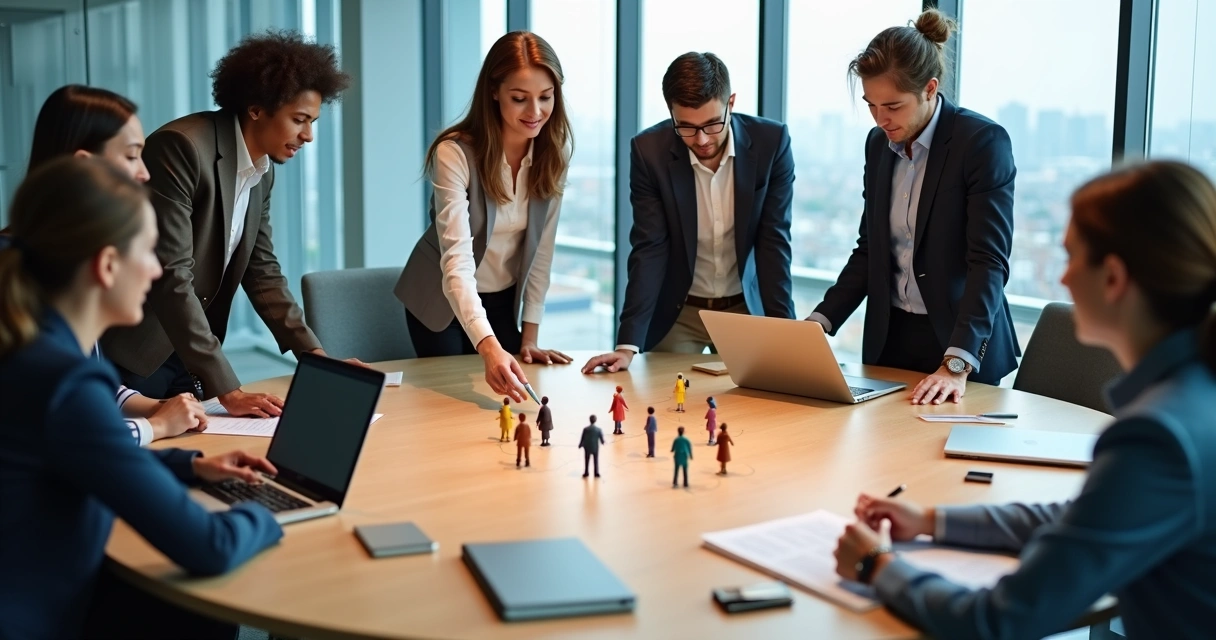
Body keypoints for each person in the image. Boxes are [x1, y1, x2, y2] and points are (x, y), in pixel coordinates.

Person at [833, 160, 1216, 639]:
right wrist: (933, 520)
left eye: (1072, 257)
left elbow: (1001, 620)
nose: (1063, 279)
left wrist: (876, 565)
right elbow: (1079, 518)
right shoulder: (1195, 396)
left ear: (1114, 279)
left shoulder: (1158, 437)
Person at [0, 157, 283, 639]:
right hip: (43, 620)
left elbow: (82, 452)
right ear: (107, 266)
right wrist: (272, 511)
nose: (157, 269)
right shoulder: (66, 383)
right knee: (205, 609)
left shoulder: (32, 351)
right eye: (149, 252)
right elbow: (209, 545)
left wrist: (189, 466)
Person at [101, 30, 355, 418]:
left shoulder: (261, 170)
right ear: (256, 109)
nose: (308, 135)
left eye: (313, 121)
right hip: (140, 350)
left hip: (193, 355)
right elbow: (171, 274)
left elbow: (262, 271)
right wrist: (230, 389)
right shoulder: (181, 148)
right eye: (299, 120)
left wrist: (316, 356)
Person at [808, 9, 1019, 404]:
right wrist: (819, 322)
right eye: (871, 105)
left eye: (893, 106)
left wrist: (957, 363)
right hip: (891, 339)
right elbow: (871, 249)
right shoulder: (878, 145)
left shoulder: (982, 144)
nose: (880, 119)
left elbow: (988, 263)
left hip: (960, 344)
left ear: (930, 88)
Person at [3, 85, 208, 445]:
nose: (144, 174)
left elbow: (93, 383)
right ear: (85, 164)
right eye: (131, 157)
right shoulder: (28, 271)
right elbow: (66, 435)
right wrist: (156, 427)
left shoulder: (75, 256)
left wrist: (159, 408)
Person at [582, 51, 795, 374]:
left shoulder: (771, 142)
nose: (701, 139)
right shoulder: (649, 152)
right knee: (666, 402)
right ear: (671, 113)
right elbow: (649, 247)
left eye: (712, 124)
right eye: (686, 127)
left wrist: (787, 335)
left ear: (731, 103)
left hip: (744, 307)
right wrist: (626, 345)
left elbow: (773, 243)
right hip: (678, 312)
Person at [397, 31, 572, 404]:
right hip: (440, 300)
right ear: (494, 92)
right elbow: (457, 262)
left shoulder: (552, 156)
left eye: (546, 97)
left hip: (501, 298)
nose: (535, 112)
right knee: (450, 404)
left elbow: (541, 254)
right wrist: (488, 346)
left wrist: (530, 338)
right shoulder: (454, 154)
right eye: (519, 99)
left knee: (510, 399)